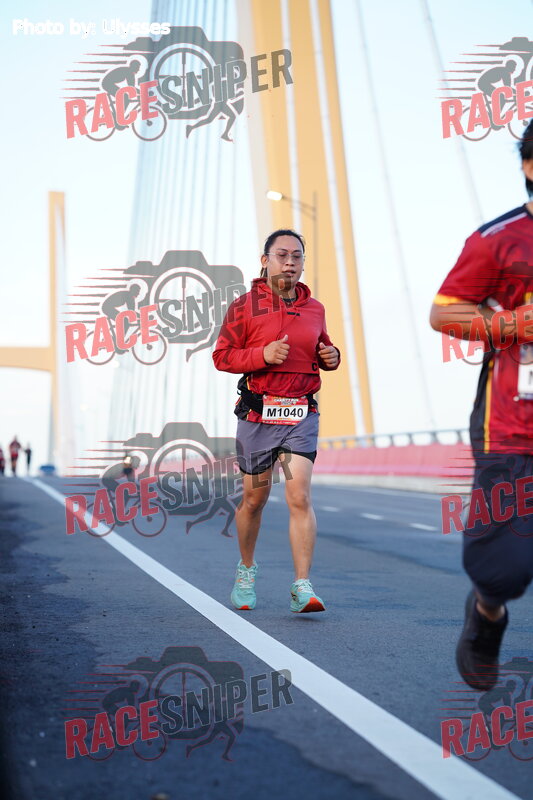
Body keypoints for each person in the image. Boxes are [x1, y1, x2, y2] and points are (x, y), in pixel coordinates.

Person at [429, 119, 533, 690]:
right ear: (529, 167)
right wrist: (513, 324)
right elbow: (444, 312)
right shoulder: (498, 240)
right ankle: (488, 613)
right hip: (511, 425)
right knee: (504, 569)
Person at [213, 229, 341, 613]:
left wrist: (332, 357)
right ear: (265, 260)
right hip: (257, 414)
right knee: (254, 499)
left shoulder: (315, 308)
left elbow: (322, 349)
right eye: (282, 255)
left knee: (299, 495)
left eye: (297, 256)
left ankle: (302, 586)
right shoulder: (243, 307)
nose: (290, 262)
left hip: (301, 413)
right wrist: (262, 355)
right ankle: (246, 570)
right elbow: (222, 356)